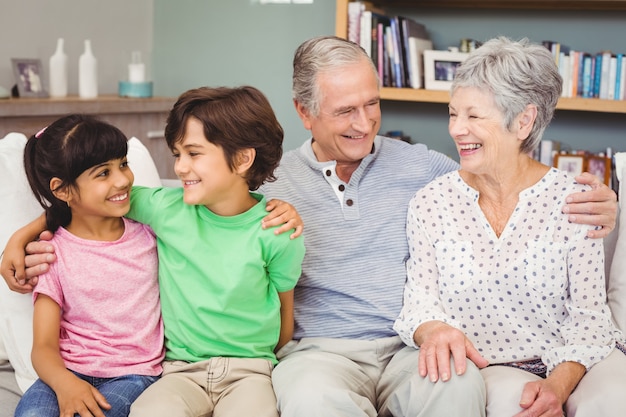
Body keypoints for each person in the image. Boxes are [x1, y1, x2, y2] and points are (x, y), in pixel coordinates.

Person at [6, 36, 618, 416]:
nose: (365, 123)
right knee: (313, 402)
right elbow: (131, 198)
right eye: (345, 110)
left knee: (457, 390)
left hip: (407, 345)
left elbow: (505, 181)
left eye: (373, 103)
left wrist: (608, 205)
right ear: (305, 112)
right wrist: (33, 230)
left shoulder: (428, 169)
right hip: (318, 352)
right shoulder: (257, 182)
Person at [3, 86, 306, 417]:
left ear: (243, 158)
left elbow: (283, 323)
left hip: (247, 370)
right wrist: (20, 236)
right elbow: (88, 201)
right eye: (177, 155)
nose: (179, 168)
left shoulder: (278, 231)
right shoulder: (165, 210)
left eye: (193, 153)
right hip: (179, 371)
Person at [393, 36, 626, 417]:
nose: (456, 129)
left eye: (474, 116)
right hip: (486, 368)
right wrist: (434, 329)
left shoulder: (576, 201)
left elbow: (590, 317)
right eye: (453, 113)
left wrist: (557, 384)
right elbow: (420, 302)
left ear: (523, 121)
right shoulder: (432, 202)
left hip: (577, 359)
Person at [11, 114, 164, 417]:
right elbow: (42, 347)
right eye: (103, 173)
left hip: (134, 373)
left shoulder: (150, 233)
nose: (122, 179)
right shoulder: (52, 253)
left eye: (123, 164)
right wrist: (65, 383)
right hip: (66, 371)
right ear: (62, 190)